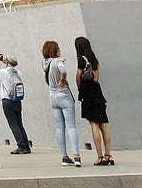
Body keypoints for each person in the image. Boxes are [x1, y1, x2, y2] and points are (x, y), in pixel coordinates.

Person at [42, 40, 81, 168]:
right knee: (71, 126)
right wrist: (62, 79)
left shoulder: (45, 63)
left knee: (59, 127)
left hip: (52, 96)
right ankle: (76, 156)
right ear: (55, 50)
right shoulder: (57, 61)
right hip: (63, 94)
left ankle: (64, 156)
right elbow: (63, 70)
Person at [73, 36, 112, 166]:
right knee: (103, 125)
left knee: (94, 125)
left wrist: (79, 86)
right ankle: (108, 155)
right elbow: (96, 78)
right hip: (97, 92)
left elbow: (78, 75)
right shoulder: (94, 59)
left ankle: (100, 156)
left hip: (87, 93)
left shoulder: (81, 59)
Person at [0, 52, 31, 155]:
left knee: (13, 125)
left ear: (7, 62)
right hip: (17, 100)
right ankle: (26, 145)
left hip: (7, 100)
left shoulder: (4, 73)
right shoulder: (18, 72)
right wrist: (7, 62)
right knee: (19, 124)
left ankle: (21, 146)